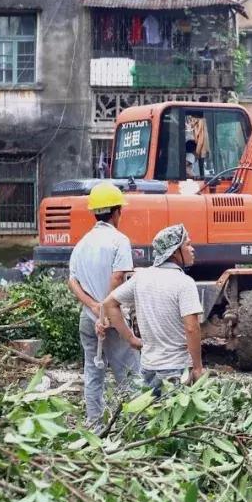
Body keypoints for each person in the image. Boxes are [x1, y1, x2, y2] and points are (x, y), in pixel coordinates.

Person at [66, 182, 139, 426]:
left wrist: (94, 307)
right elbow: (118, 277)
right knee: (129, 373)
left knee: (92, 372)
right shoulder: (119, 240)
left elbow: (72, 281)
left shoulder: (82, 244)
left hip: (88, 318)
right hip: (112, 318)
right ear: (117, 211)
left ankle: (94, 423)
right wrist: (107, 311)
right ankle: (134, 425)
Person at [104, 224, 205, 395]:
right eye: (187, 245)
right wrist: (197, 367)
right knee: (175, 420)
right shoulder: (184, 282)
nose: (192, 249)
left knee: (151, 418)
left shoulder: (141, 278)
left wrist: (130, 338)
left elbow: (109, 303)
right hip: (176, 370)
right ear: (174, 252)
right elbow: (191, 327)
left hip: (148, 368)